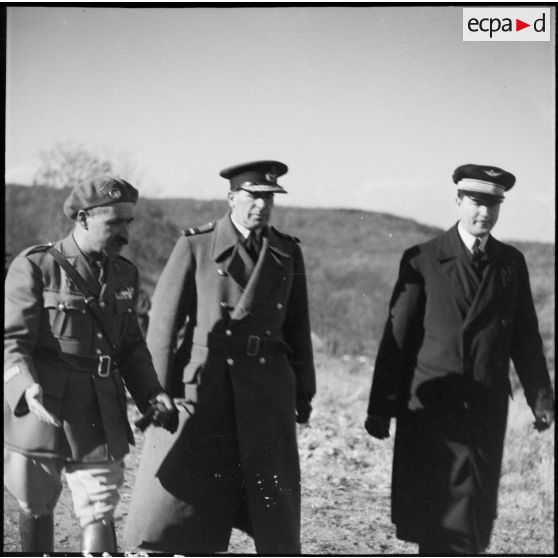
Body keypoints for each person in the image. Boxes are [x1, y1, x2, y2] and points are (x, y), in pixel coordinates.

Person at [123, 160, 316, 554]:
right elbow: (164, 321)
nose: (261, 206)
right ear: (232, 198)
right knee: (192, 499)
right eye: (253, 197)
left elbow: (297, 326)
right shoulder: (197, 244)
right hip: (207, 385)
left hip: (266, 388)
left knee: (269, 500)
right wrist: (157, 391)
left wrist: (303, 391)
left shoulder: (286, 251)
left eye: (268, 198)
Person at [364, 163, 555, 555]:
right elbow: (397, 339)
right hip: (432, 409)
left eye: (493, 204)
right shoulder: (424, 258)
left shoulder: (511, 263)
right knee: (434, 519)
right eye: (475, 203)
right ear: (458, 201)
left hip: (484, 408)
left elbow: (525, 338)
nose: (484, 212)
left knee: (472, 521)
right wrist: (381, 408)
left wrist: (541, 399)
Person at [4, 175, 178, 553]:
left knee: (100, 507)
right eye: (114, 223)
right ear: (82, 218)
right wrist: (24, 387)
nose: (125, 234)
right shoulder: (36, 267)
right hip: (42, 405)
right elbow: (12, 341)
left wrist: (153, 392)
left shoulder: (124, 274)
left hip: (99, 408)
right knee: (35, 503)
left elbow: (131, 346)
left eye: (128, 223)